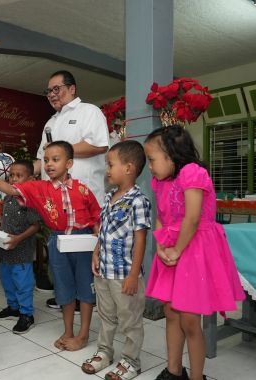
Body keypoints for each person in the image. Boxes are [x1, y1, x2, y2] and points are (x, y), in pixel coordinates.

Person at [0, 141, 100, 351]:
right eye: (46, 160)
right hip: (58, 242)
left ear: (69, 163)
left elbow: (97, 219)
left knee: (85, 291)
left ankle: (83, 334)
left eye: (55, 159)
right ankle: (68, 331)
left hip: (83, 242)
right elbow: (10, 188)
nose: (49, 164)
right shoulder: (38, 188)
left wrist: (97, 249)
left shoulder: (83, 189)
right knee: (64, 289)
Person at [143, 125, 245, 380]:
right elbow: (161, 217)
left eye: (152, 159)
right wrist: (161, 246)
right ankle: (174, 371)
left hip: (194, 250)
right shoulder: (160, 181)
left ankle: (198, 377)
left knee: (190, 318)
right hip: (172, 249)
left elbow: (192, 218)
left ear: (171, 155)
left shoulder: (192, 173)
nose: (150, 166)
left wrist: (177, 249)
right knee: (170, 312)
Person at [35, 70, 109, 307]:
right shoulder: (50, 122)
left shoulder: (89, 111)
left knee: (84, 252)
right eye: (49, 91)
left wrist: (60, 152)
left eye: (57, 89)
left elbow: (98, 145)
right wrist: (19, 175)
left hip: (85, 199)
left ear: (72, 89)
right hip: (55, 200)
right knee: (59, 251)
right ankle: (66, 296)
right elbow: (42, 160)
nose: (52, 95)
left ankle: (85, 298)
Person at [81, 141, 151, 379]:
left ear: (129, 168)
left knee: (130, 319)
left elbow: (141, 239)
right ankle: (104, 352)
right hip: (104, 271)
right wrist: (96, 251)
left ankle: (131, 361)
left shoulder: (138, 201)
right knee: (106, 315)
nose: (107, 169)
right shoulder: (110, 196)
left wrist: (133, 275)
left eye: (111, 164)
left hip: (125, 275)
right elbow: (104, 231)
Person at [0, 160, 42, 334]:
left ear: (30, 178)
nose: (13, 178)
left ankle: (27, 314)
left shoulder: (29, 200)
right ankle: (13, 307)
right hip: (4, 250)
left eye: (19, 175)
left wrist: (18, 238)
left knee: (23, 283)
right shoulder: (8, 197)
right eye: (11, 175)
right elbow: (6, 222)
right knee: (7, 280)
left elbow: (35, 226)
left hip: (21, 251)